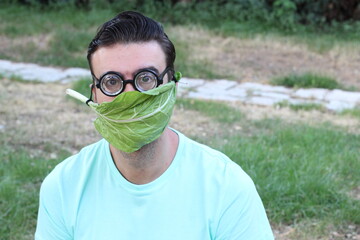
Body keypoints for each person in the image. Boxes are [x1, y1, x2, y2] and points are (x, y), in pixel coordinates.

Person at [35, 11, 274, 240]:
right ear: (94, 94)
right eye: (111, 82)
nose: (130, 96)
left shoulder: (227, 188)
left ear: (173, 86)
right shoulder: (63, 187)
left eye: (146, 78)